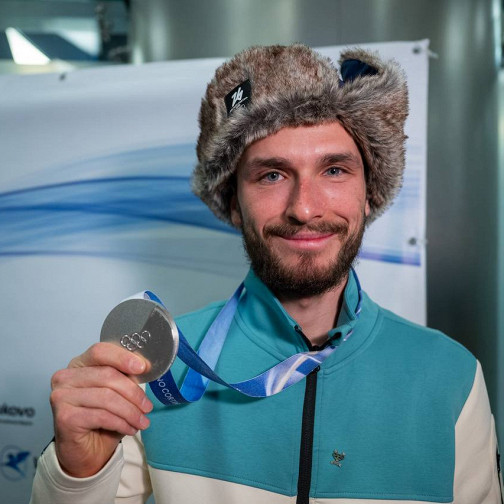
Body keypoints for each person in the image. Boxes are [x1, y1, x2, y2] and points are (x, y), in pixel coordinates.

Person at [31, 44, 502, 504]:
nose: (304, 208)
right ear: (233, 203)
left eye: (334, 170)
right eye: (272, 175)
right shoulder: (154, 366)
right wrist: (78, 476)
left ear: (369, 194)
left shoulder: (451, 377)